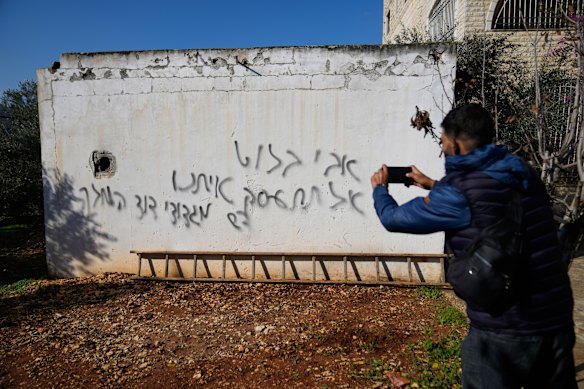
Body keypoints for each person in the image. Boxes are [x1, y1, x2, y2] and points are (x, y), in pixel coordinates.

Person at [371, 104, 576, 388]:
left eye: (442, 141)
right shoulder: (521, 172)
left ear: (455, 143)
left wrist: (380, 189)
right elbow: (485, 201)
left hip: (505, 326)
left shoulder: (458, 190)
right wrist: (431, 184)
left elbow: (393, 219)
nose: (442, 147)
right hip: (555, 318)